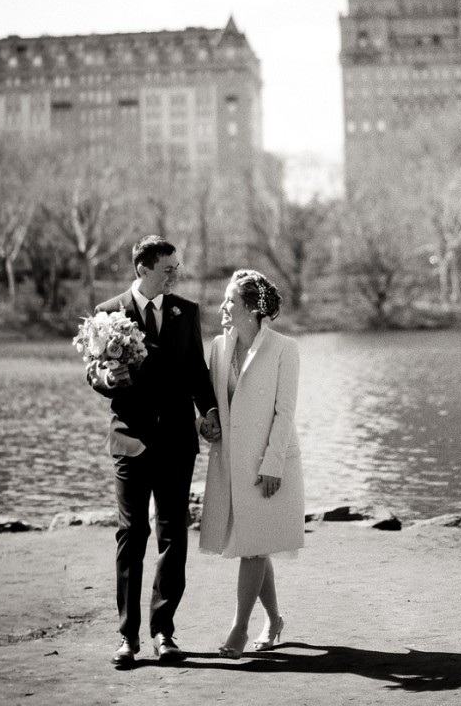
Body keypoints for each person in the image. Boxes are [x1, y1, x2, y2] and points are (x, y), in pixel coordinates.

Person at [86, 235, 220, 668]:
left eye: (177, 268)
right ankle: (128, 637)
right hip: (131, 439)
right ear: (142, 269)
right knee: (131, 535)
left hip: (179, 440)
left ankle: (164, 631)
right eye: (168, 269)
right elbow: (94, 373)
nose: (175, 275)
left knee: (172, 535)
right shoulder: (108, 314)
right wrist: (110, 379)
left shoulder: (186, 312)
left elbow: (198, 372)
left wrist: (210, 411)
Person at [199, 268, 305, 660]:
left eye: (230, 301)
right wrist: (206, 426)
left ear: (250, 309)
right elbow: (214, 407)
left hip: (268, 465)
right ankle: (275, 620)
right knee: (253, 545)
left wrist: (273, 463)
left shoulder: (284, 348)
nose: (223, 307)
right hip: (230, 463)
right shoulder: (217, 348)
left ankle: (239, 629)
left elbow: (285, 412)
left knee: (253, 550)